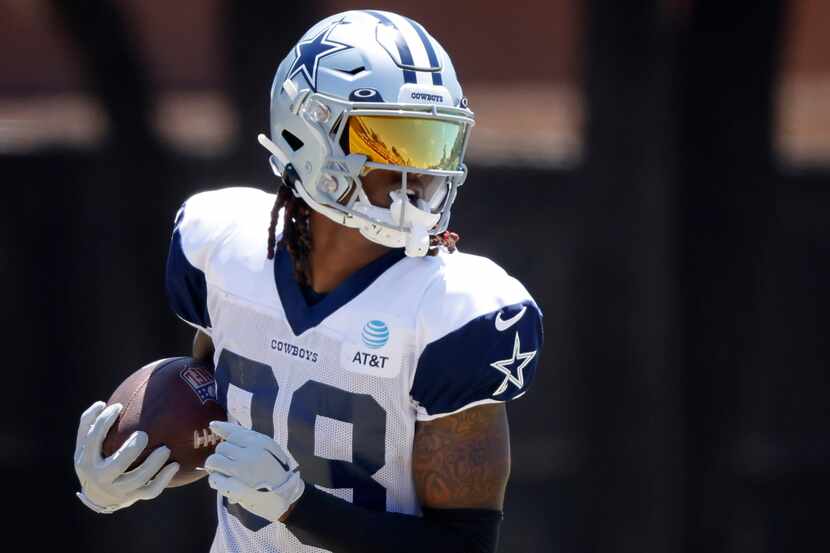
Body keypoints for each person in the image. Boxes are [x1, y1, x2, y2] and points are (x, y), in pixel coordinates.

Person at [73, 10, 543, 553]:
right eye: (395, 143)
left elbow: (465, 546)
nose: (424, 175)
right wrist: (124, 464)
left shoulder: (454, 311)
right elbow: (211, 403)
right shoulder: (225, 250)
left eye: (436, 146)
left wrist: (300, 506)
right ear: (309, 131)